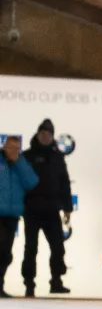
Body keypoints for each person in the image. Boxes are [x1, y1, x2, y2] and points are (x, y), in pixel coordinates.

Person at [20, 119, 71, 296]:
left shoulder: (58, 157)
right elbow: (19, 183)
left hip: (51, 210)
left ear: (52, 137)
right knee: (31, 248)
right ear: (37, 134)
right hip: (31, 210)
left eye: (48, 134)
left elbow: (64, 183)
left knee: (58, 247)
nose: (45, 137)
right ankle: (29, 284)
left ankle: (56, 281)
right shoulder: (26, 156)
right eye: (42, 133)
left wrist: (68, 208)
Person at [0, 135, 38, 298]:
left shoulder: (21, 163)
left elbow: (32, 182)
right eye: (10, 147)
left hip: (13, 215)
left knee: (5, 254)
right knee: (1, 249)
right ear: (4, 146)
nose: (12, 150)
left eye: (16, 148)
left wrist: (18, 162)